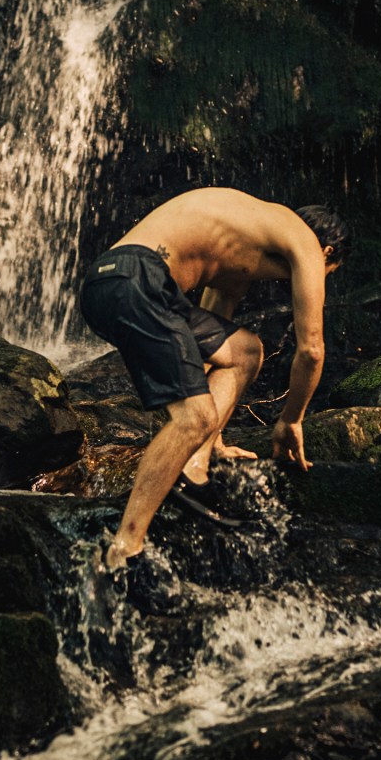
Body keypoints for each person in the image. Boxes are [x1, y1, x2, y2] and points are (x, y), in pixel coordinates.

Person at [78, 187, 349, 582]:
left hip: (112, 282)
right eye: (329, 274)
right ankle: (123, 551)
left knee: (244, 351)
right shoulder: (304, 240)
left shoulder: (245, 235)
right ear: (328, 255)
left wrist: (213, 440)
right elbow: (311, 350)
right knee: (193, 417)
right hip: (138, 279)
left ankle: (195, 464)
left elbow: (205, 347)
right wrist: (291, 419)